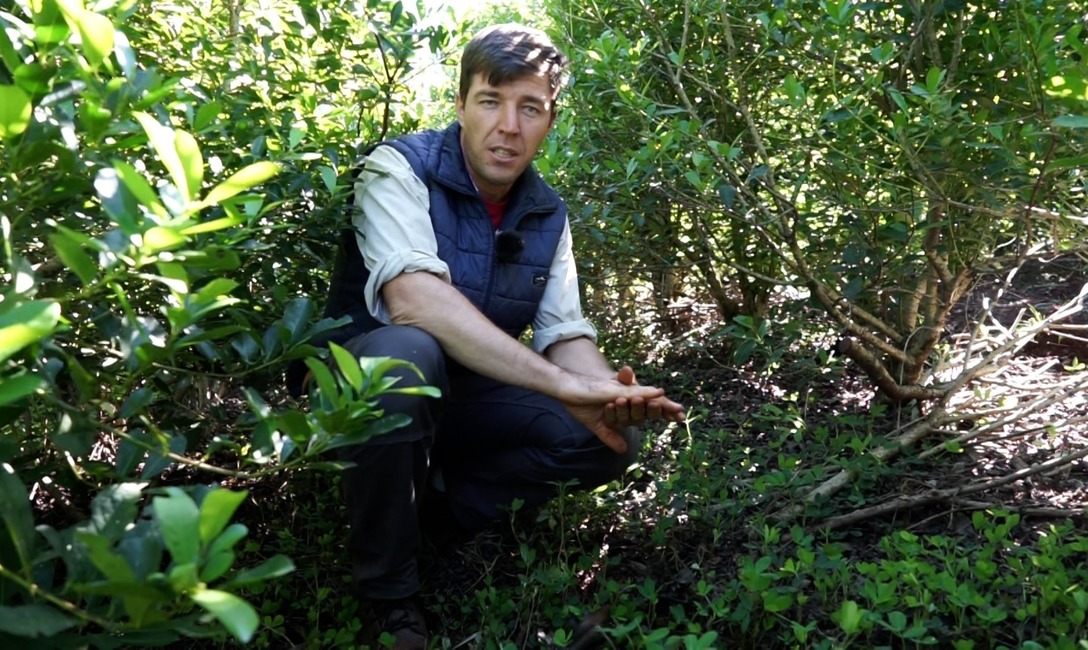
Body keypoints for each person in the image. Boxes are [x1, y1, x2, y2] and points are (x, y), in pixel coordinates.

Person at [315, 23, 685, 648]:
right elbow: (411, 299)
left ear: (550, 119)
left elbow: (565, 331)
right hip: (367, 395)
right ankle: (390, 595)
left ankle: (434, 514)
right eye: (491, 101)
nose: (508, 126)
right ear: (460, 104)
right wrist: (560, 384)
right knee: (408, 352)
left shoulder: (546, 211)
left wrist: (605, 392)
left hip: (465, 400)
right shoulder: (398, 169)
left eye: (530, 108)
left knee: (609, 439)